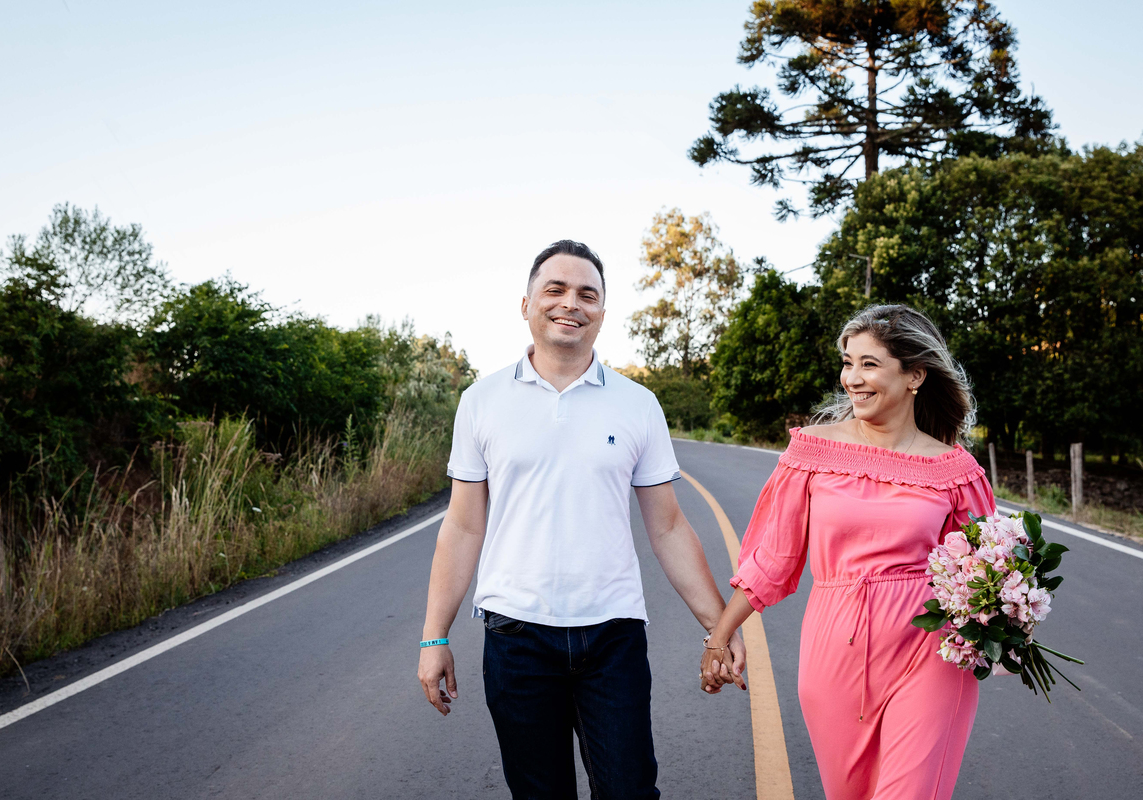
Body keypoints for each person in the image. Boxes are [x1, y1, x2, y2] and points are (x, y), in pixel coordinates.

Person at [417, 239, 744, 800]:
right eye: (556, 289)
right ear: (526, 304)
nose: (571, 302)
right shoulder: (482, 400)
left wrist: (719, 626)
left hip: (612, 636)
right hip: (516, 635)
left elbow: (667, 526)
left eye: (587, 294)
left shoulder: (637, 403)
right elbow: (464, 526)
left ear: (601, 312)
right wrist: (433, 637)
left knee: (631, 790)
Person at [700, 304, 996, 800]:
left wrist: (1009, 616)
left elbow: (987, 569)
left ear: (915, 375)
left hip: (930, 645)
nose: (852, 379)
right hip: (833, 647)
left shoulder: (954, 469)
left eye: (869, 364)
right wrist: (719, 637)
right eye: (847, 362)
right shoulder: (812, 452)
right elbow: (774, 560)